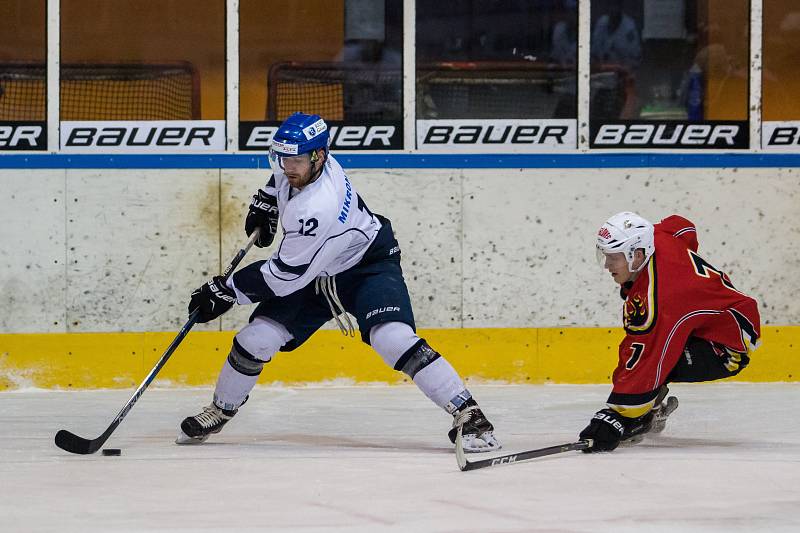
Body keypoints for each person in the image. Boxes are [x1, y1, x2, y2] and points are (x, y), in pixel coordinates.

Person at [177, 112, 500, 453]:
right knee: (255, 339)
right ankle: (221, 409)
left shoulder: (318, 206)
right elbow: (279, 178)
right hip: (316, 268)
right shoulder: (300, 160)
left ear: (319, 157)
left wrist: (226, 291)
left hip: (364, 266)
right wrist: (267, 201)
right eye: (282, 157)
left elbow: (284, 276)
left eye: (296, 160)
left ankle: (469, 414)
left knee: (391, 337)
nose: (288, 167)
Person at [580, 212, 761, 452]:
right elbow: (682, 228)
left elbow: (646, 357)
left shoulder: (660, 301)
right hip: (717, 320)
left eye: (614, 258)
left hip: (725, 346)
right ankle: (646, 403)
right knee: (656, 350)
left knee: (656, 355)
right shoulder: (655, 238)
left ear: (637, 255)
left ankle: (641, 416)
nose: (606, 265)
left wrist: (617, 416)